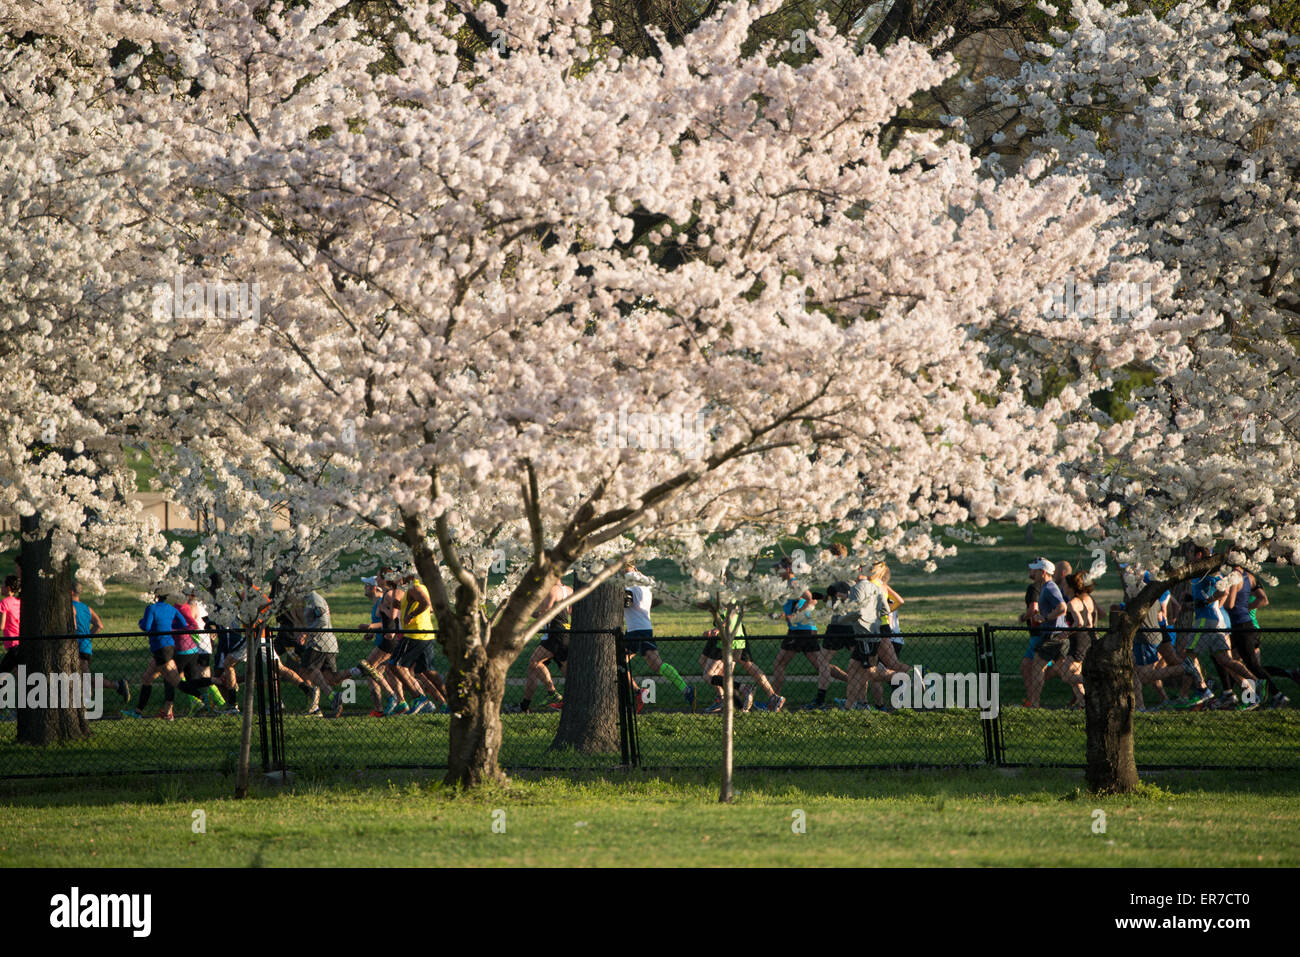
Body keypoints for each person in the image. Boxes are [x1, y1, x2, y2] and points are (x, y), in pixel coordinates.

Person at [623, 563, 694, 711]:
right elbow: (648, 603)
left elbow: (626, 602)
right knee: (653, 664)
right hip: (644, 629)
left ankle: (639, 692)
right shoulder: (645, 583)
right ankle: (684, 689)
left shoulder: (628, 584)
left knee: (618, 664)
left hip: (636, 631)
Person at [770, 558, 833, 707]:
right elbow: (811, 601)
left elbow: (809, 598)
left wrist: (795, 614)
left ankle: (774, 699)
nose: (775, 572)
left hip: (799, 631)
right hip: (804, 629)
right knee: (821, 666)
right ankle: (853, 680)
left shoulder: (793, 583)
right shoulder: (790, 584)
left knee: (779, 664)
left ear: (787, 570)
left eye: (777, 569)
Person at [699, 605, 784, 714]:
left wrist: (718, 627)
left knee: (739, 667)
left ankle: (742, 694)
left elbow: (733, 610)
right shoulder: (715, 594)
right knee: (706, 664)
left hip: (730, 633)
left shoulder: (725, 593)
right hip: (726, 631)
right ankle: (726, 699)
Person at [1225, 565, 1281, 708]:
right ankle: (1249, 698)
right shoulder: (1250, 577)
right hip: (1244, 626)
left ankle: (1273, 695)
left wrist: (1243, 608)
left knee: (1250, 665)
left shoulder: (1241, 578)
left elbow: (1263, 600)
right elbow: (1263, 599)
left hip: (1246, 626)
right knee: (1238, 663)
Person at [396, 574, 447, 714]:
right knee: (427, 671)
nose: (396, 578)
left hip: (415, 634)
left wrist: (410, 615)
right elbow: (429, 609)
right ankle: (451, 701)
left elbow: (426, 604)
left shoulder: (414, 587)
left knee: (395, 665)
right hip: (424, 634)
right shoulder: (419, 587)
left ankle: (419, 698)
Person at [519, 578, 572, 713]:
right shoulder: (569, 590)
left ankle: (553, 694)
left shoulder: (552, 590)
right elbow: (571, 611)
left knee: (535, 662)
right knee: (533, 668)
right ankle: (525, 705)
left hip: (554, 634)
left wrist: (527, 613)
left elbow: (544, 613)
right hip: (563, 632)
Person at [0, 575, 21, 675]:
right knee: (19, 671)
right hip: (21, 642)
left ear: (8, 588)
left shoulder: (4, 602)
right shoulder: (19, 602)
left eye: (3, 585)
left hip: (12, 644)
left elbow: (1, 626)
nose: (1, 588)